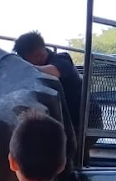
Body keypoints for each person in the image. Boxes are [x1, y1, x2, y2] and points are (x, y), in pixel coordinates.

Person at [14, 31, 102, 161]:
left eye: (25, 60)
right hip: (67, 124)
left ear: (38, 55)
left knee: (63, 154)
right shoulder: (39, 66)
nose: (24, 63)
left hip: (87, 124)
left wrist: (24, 67)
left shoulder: (62, 59)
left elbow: (53, 72)